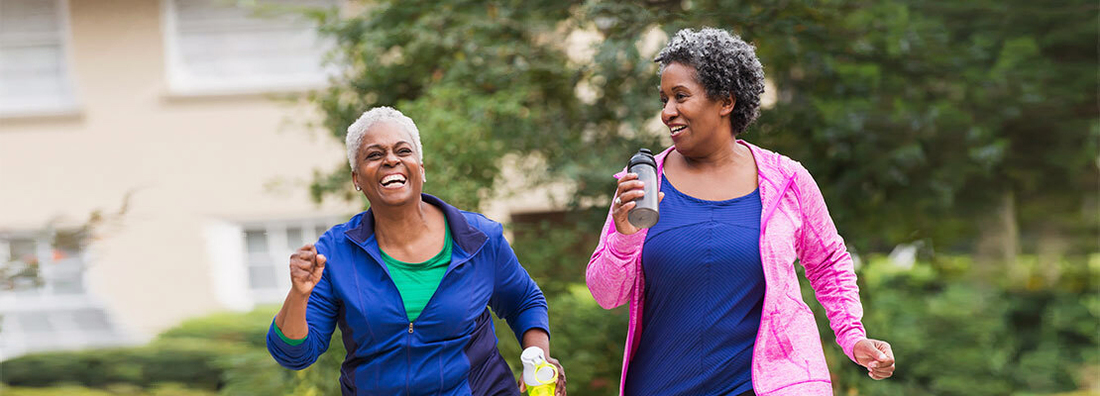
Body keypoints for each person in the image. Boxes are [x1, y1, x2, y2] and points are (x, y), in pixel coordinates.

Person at [585, 28, 895, 396]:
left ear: (726, 102)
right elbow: (607, 295)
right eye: (664, 99)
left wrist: (852, 336)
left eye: (680, 97)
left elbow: (828, 263)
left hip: (765, 386)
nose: (667, 112)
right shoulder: (642, 183)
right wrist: (625, 237)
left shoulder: (787, 181)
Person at [267, 107, 566, 396]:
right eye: (374, 155)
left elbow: (524, 300)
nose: (391, 160)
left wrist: (537, 357)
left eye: (403, 151)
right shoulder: (334, 253)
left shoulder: (479, 239)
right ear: (356, 178)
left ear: (421, 170)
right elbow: (295, 355)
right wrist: (299, 294)